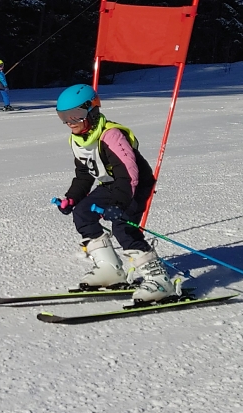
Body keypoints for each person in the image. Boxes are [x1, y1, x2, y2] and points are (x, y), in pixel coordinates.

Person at [53, 84, 175, 303]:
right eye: (64, 117)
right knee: (82, 213)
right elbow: (84, 174)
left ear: (92, 110)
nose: (70, 123)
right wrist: (72, 197)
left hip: (133, 186)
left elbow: (129, 174)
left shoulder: (111, 136)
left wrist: (118, 204)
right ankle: (110, 269)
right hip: (110, 184)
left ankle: (160, 281)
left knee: (123, 227)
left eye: (76, 116)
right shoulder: (78, 140)